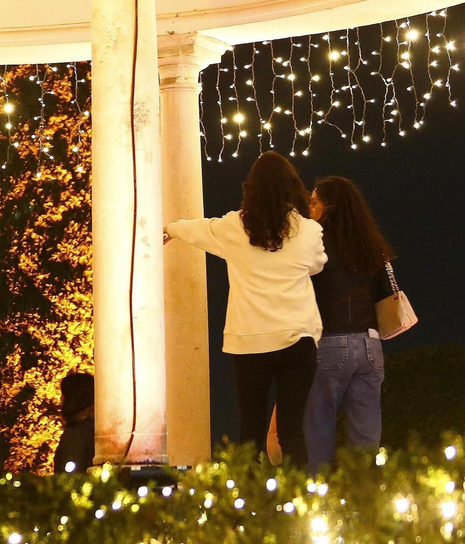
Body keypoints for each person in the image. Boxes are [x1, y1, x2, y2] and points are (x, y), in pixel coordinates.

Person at [165, 151, 326, 467]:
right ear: (292, 187)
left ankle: (249, 508)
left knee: (249, 433)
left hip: (249, 342)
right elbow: (317, 265)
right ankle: (299, 505)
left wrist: (171, 228)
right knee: (292, 431)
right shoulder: (309, 231)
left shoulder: (234, 227)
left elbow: (199, 229)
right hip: (298, 339)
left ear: (251, 188)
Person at [304, 175, 394, 469]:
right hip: (370, 346)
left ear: (329, 206)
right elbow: (384, 292)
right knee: (366, 438)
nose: (310, 208)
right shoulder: (371, 243)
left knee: (318, 428)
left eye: (315, 202)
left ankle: (317, 501)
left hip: (329, 341)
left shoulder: (316, 241)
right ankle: (363, 504)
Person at [53, 372, 97, 473]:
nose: (60, 400)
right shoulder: (100, 430)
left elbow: (68, 479)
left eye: (63, 395)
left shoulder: (75, 434)